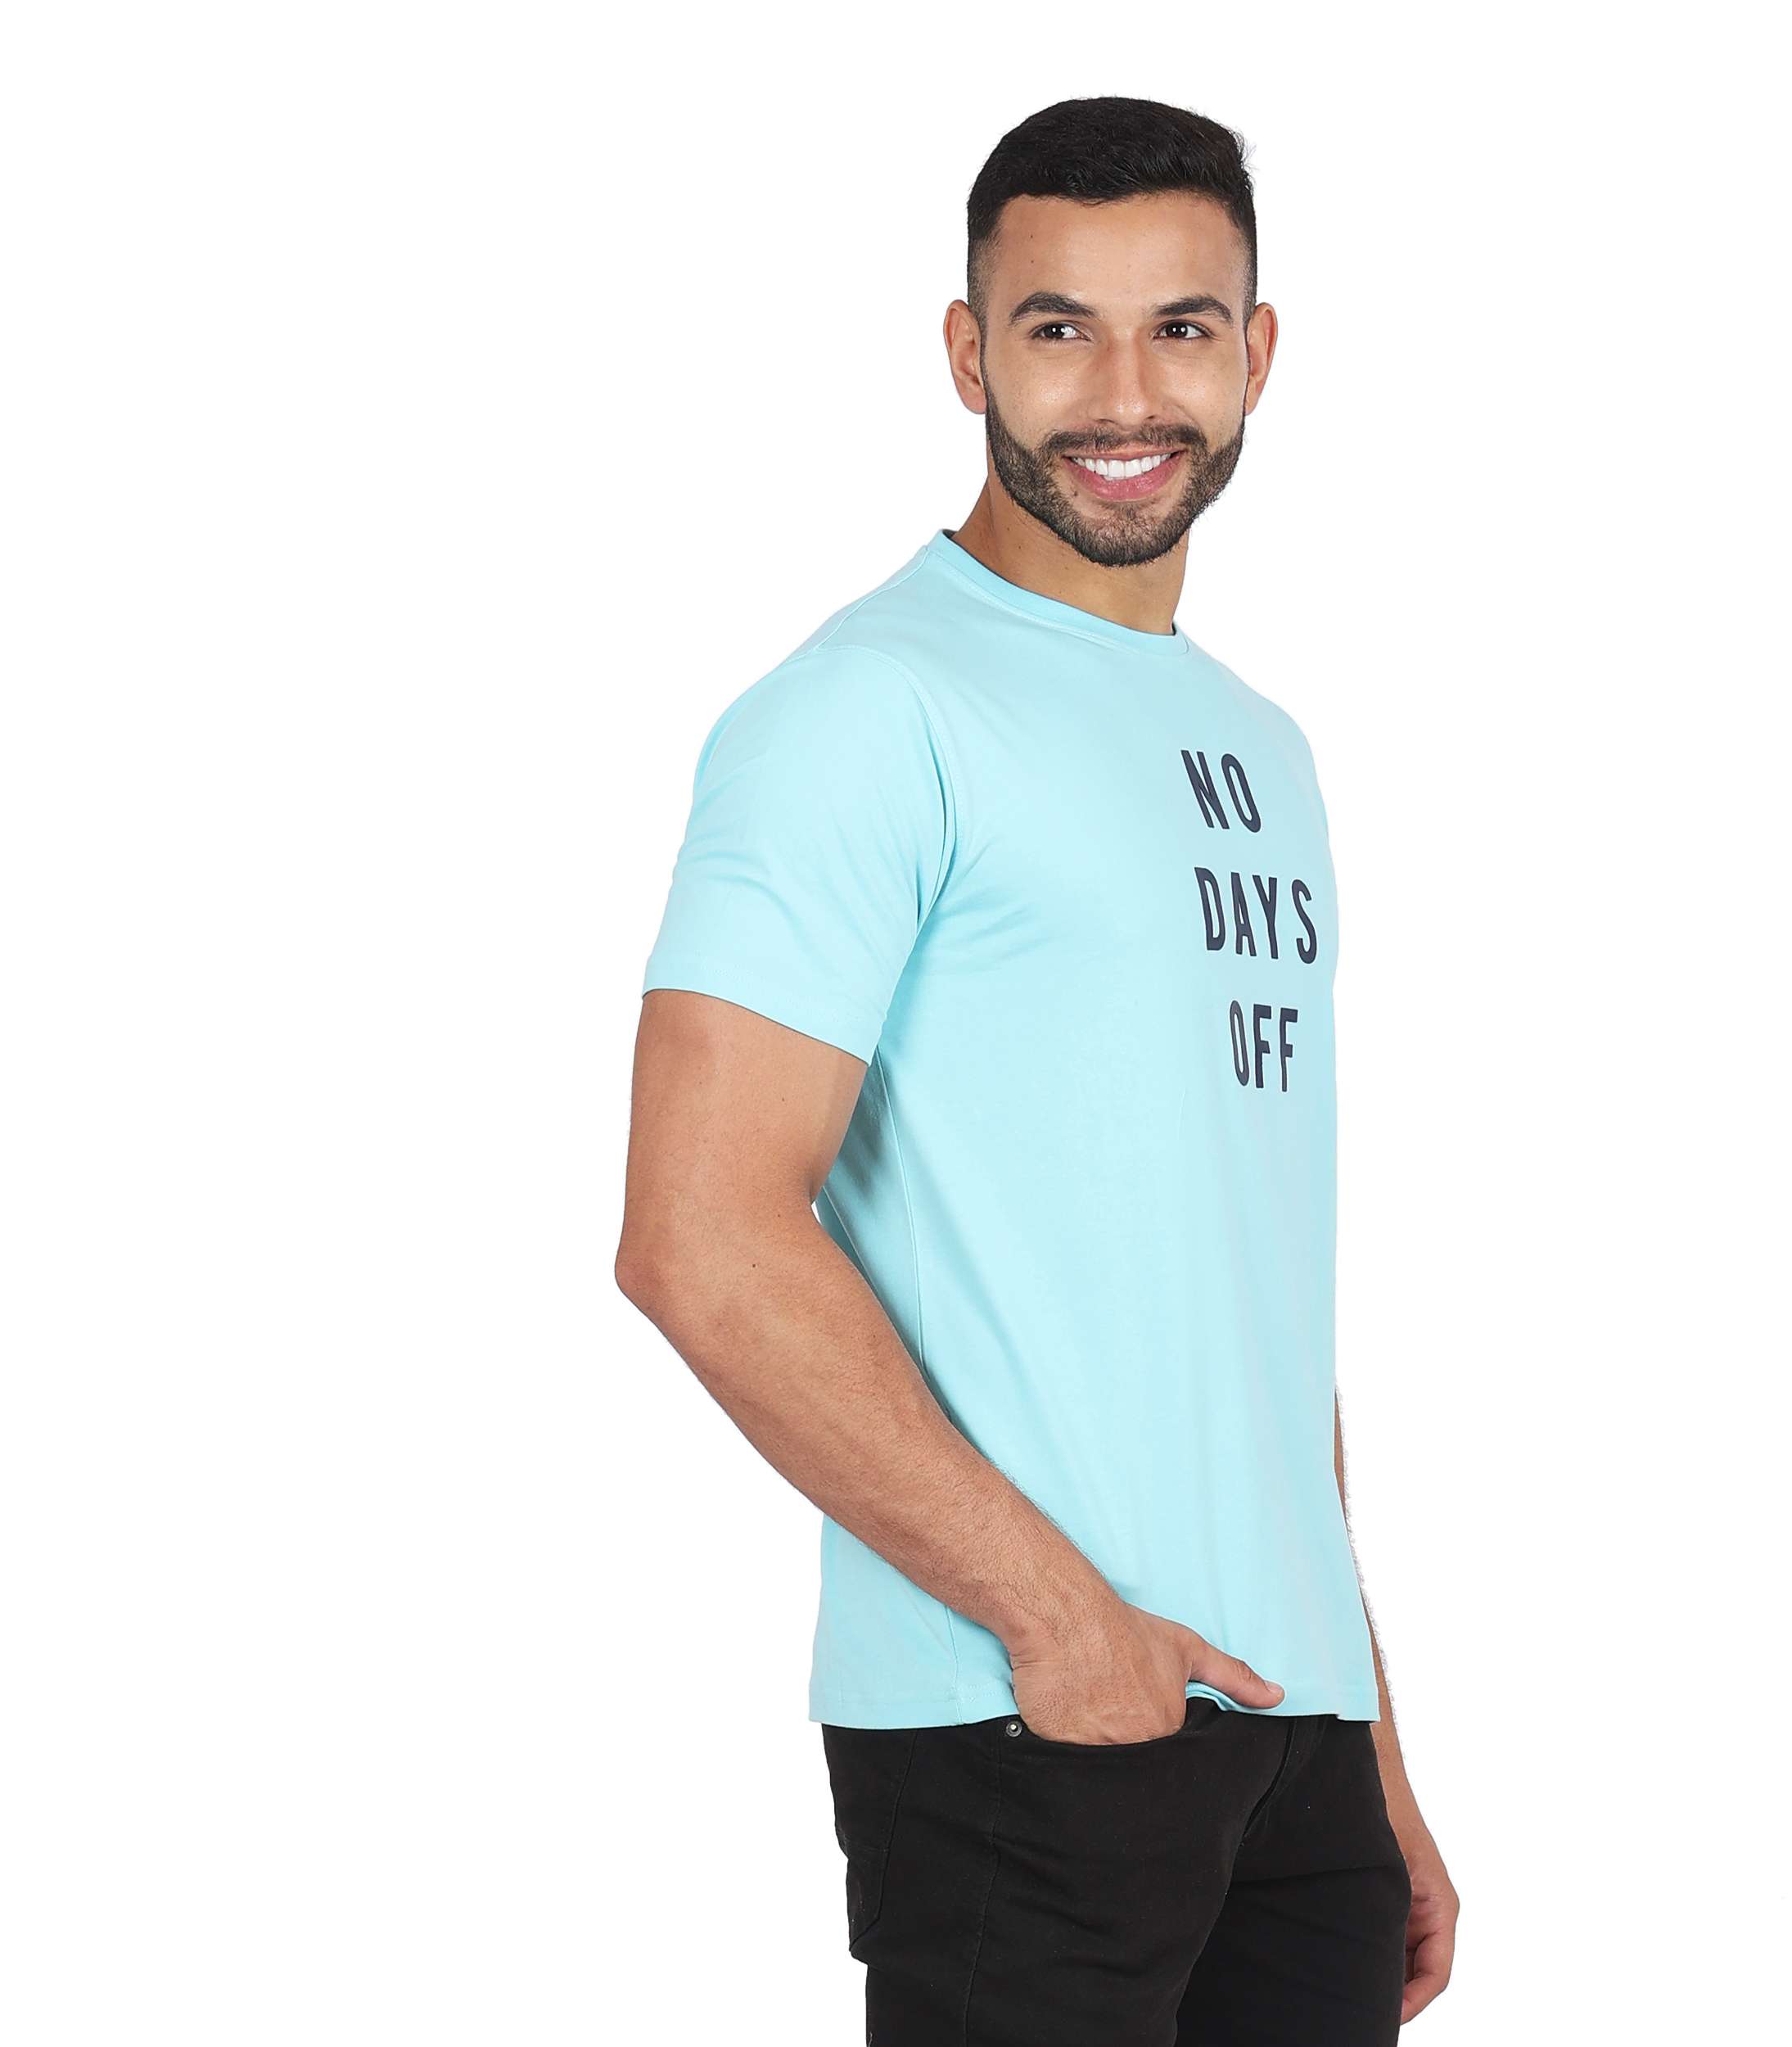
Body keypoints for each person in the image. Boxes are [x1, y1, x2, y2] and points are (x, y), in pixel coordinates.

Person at [616, 94, 1458, 2045]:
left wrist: (1371, 1741)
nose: (1123, 392)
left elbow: (1248, 1305)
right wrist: (1051, 1617)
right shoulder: (866, 708)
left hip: (1290, 1737)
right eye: (1058, 325)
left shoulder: (1261, 745)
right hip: (1027, 1725)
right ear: (965, 349)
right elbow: (695, 1233)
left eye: (1180, 326)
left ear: (1255, 353)